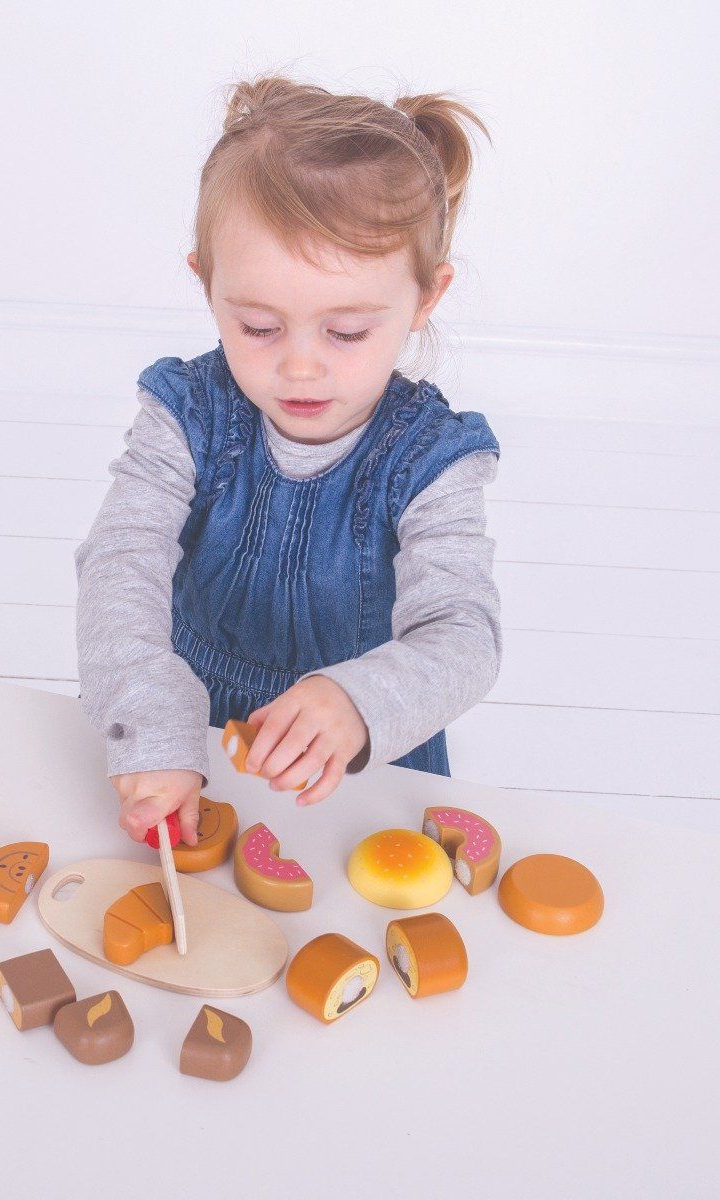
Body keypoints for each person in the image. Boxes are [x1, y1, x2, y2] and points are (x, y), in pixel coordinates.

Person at [75, 75, 501, 848]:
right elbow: (120, 560)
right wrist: (148, 716)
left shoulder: (434, 459)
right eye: (259, 326)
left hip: (364, 758)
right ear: (206, 281)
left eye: (345, 334)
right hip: (188, 735)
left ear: (425, 298)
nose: (300, 370)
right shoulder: (186, 413)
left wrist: (359, 700)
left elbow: (461, 636)